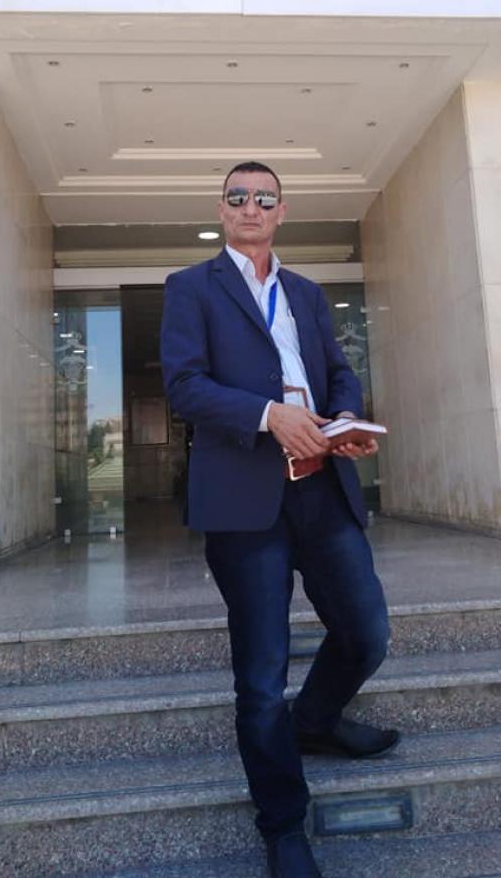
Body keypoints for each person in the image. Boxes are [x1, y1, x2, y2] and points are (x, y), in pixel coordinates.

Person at [161, 161, 398, 878]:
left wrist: (345, 419)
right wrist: (270, 416)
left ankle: (316, 722)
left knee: (366, 633)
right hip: (246, 500)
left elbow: (339, 372)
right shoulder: (191, 288)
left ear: (281, 211)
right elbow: (184, 386)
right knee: (262, 676)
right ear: (221, 209)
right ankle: (284, 825)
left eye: (264, 198)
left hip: (323, 488)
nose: (251, 207)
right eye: (238, 197)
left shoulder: (306, 293)